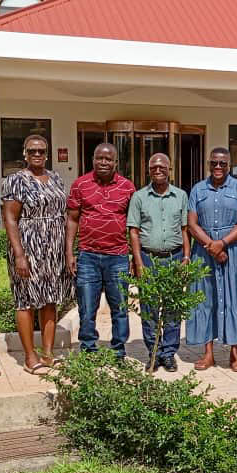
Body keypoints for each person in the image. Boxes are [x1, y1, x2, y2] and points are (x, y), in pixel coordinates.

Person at [1, 134, 71, 375]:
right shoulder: (15, 180)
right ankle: (30, 356)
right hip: (28, 246)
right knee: (26, 300)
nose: (37, 154)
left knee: (50, 299)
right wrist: (19, 254)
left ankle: (48, 353)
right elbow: (9, 219)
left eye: (41, 151)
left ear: (47, 153)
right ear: (24, 153)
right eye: (32, 151)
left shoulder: (56, 178)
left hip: (54, 247)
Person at [186, 146, 237, 371]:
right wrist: (212, 246)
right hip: (204, 252)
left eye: (223, 164)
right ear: (209, 164)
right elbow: (192, 223)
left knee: (234, 297)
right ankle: (208, 354)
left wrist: (222, 243)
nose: (218, 167)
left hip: (233, 252)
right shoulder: (197, 190)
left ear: (229, 165)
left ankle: (235, 353)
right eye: (214, 163)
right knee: (205, 298)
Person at [66, 142, 136, 357]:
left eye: (108, 159)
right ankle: (88, 349)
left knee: (120, 308)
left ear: (116, 162)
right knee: (87, 309)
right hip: (88, 256)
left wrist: (134, 256)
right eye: (99, 158)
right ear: (93, 160)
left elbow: (134, 224)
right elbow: (72, 219)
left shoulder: (127, 187)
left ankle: (118, 351)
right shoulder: (80, 185)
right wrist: (70, 252)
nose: (103, 162)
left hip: (118, 257)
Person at [127, 152, 190, 372]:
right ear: (149, 170)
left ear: (169, 169)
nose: (158, 170)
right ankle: (153, 351)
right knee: (150, 308)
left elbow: (185, 230)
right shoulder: (139, 197)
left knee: (173, 308)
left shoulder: (181, 196)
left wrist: (186, 257)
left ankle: (168, 354)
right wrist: (139, 263)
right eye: (153, 167)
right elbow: (133, 232)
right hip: (148, 258)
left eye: (162, 166)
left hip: (174, 258)